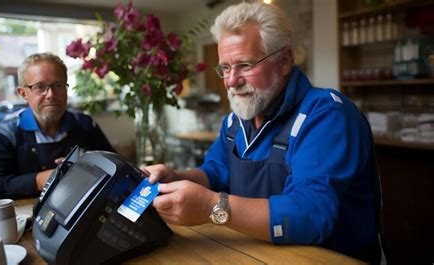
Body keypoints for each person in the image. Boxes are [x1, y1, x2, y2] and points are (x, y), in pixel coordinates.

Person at [144, 2, 381, 264]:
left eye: (245, 65)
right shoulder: (236, 121)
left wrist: (211, 206)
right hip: (257, 254)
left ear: (284, 60)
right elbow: (216, 172)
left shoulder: (326, 115)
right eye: (225, 68)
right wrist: (177, 178)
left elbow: (310, 216)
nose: (232, 81)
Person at [0, 52, 115, 201]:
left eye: (58, 85)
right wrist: (39, 180)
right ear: (23, 93)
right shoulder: (7, 133)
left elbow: (114, 167)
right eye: (40, 87)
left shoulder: (84, 124)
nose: (51, 94)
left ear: (66, 89)